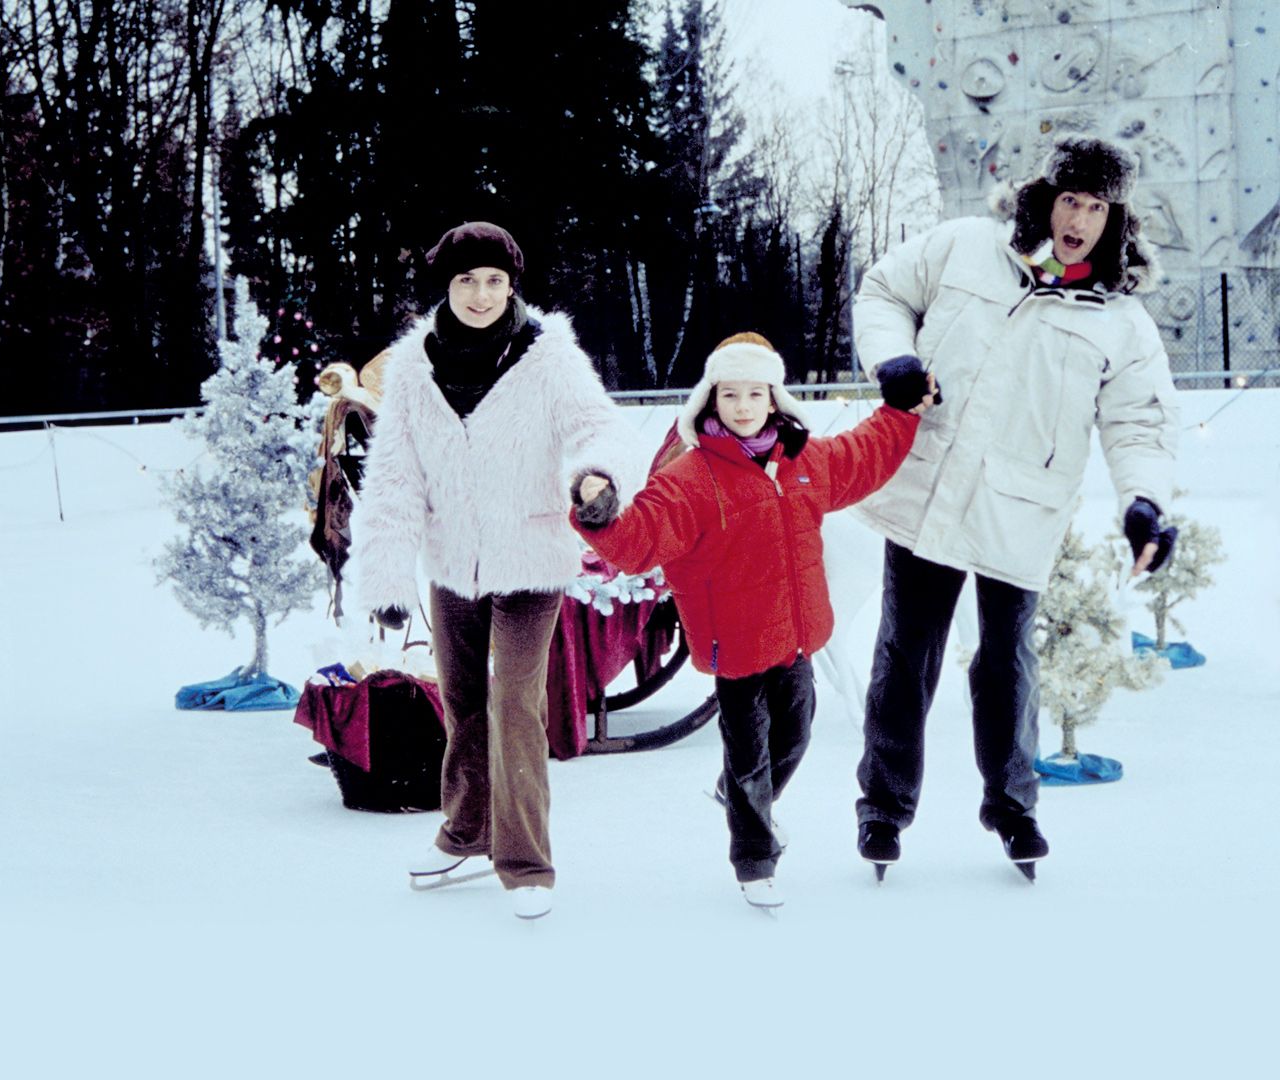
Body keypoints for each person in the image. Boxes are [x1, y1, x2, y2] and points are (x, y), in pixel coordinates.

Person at [847, 134, 1181, 881]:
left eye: (1097, 207)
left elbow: (1140, 422)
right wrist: (893, 362)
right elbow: (882, 292)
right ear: (1045, 197)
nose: (1081, 219)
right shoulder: (967, 247)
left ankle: (1013, 808)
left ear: (1114, 218)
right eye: (1071, 200)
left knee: (1006, 663)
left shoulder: (1119, 318)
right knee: (905, 655)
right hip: (931, 487)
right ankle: (883, 809)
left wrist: (1145, 502)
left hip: (1021, 507)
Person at [569, 333, 935, 910]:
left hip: (796, 638)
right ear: (710, 402)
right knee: (748, 756)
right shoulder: (688, 479)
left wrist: (900, 413)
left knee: (797, 732)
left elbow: (862, 456)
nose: (742, 406)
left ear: (774, 398)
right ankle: (754, 860)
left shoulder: (803, 460)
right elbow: (640, 540)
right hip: (734, 645)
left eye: (754, 393)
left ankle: (744, 799)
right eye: (730, 394)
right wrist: (600, 513)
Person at [352, 221, 645, 921]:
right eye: (465, 281)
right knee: (461, 703)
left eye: (494, 281)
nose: (481, 295)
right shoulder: (414, 370)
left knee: (515, 704)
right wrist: (388, 576)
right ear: (445, 287)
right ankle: (464, 832)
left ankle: (525, 863)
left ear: (512, 286)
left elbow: (596, 427)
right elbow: (392, 478)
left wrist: (595, 475)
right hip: (453, 564)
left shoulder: (550, 357)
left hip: (533, 562)